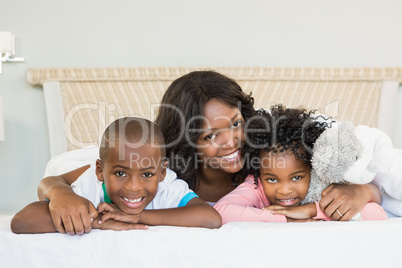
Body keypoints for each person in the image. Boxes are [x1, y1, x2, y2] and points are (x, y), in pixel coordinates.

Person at [36, 71, 382, 234]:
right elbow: (57, 179)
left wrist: (363, 190)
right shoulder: (160, 172)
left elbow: (352, 173)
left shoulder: (269, 156)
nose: (231, 140)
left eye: (235, 123)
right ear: (185, 140)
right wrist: (58, 195)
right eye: (210, 135)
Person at [11, 117, 222, 234]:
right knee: (57, 174)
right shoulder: (90, 184)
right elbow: (21, 222)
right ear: (100, 171)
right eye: (121, 173)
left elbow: (211, 218)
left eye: (147, 174)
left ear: (162, 172)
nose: (133, 187)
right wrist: (97, 220)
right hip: (74, 169)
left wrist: (137, 217)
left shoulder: (166, 185)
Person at [214, 105, 387, 223]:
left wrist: (313, 210)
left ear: (312, 169)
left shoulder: (323, 184)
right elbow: (221, 211)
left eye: (296, 177)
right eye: (272, 180)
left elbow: (378, 213)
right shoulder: (255, 184)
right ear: (259, 171)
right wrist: (286, 218)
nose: (285, 190)